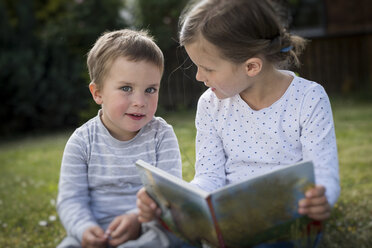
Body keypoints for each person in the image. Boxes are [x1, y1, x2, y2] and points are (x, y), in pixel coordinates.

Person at [137, 0, 340, 246]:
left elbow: (323, 174)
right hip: (230, 222)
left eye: (207, 68)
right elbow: (209, 176)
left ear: (251, 66)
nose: (199, 76)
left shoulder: (308, 98)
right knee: (165, 233)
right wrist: (181, 202)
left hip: (286, 223)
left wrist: (322, 198)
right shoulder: (210, 104)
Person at [57, 29, 184, 248]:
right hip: (98, 229)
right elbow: (71, 199)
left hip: (149, 226)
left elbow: (169, 196)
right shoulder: (81, 142)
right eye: (126, 88)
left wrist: (137, 218)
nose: (140, 101)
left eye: (150, 90)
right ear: (97, 93)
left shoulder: (161, 135)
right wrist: (85, 229)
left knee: (170, 238)